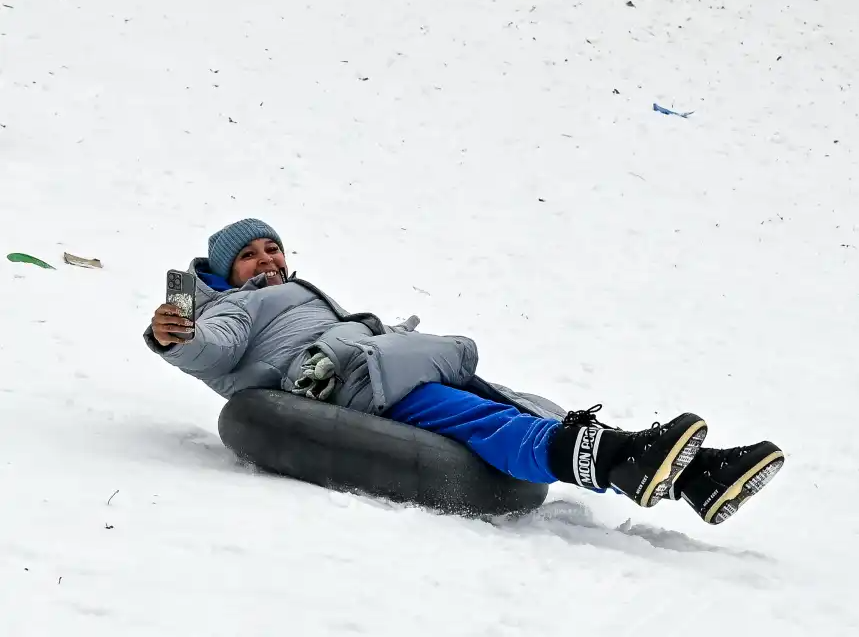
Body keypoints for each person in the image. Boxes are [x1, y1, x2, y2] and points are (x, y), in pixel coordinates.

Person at [144, 218, 784, 525]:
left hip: (391, 367)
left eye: (271, 248)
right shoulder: (234, 308)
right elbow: (210, 349)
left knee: (517, 404)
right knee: (486, 420)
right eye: (248, 257)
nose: (266, 260)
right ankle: (632, 463)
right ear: (224, 274)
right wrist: (173, 335)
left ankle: (696, 475)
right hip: (360, 388)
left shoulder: (292, 292)